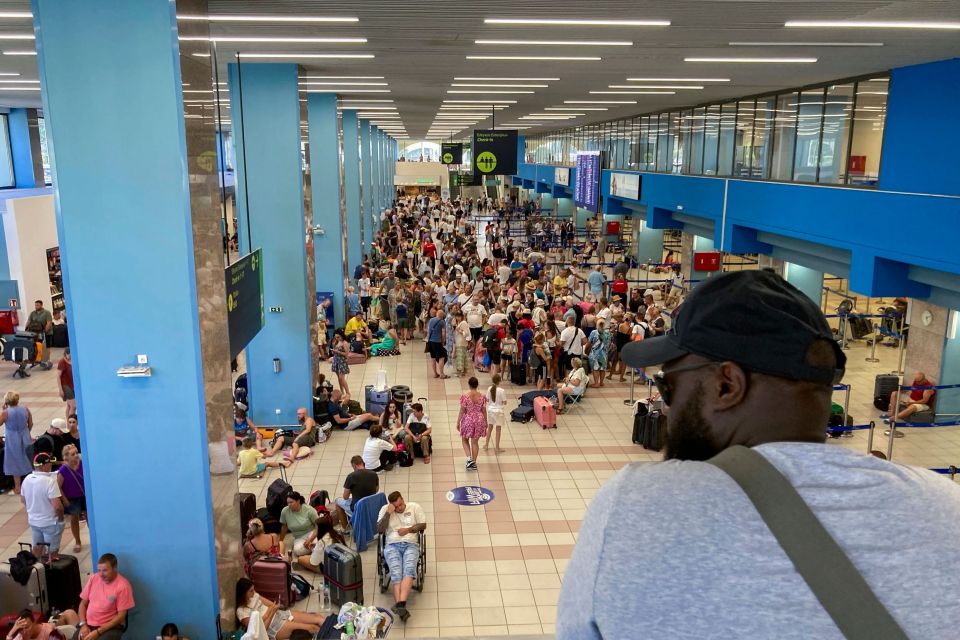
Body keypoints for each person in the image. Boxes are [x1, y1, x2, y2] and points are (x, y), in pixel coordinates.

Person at [558, 269, 960, 638]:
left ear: (727, 385)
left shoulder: (632, 505)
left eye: (669, 388)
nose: (666, 407)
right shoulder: (945, 506)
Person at [377, 491, 427, 622]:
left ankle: (400, 604)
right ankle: (401, 606)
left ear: (403, 499)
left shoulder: (414, 507)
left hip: (411, 544)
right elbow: (380, 530)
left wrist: (408, 530)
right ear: (391, 505)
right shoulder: (385, 510)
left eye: (401, 505)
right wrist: (388, 513)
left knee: (409, 570)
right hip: (392, 545)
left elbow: (423, 525)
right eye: (396, 507)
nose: (399, 508)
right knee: (396, 572)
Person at [58, 553, 134, 639]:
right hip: (89, 625)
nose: (101, 574)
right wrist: (83, 625)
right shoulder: (94, 578)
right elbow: (83, 604)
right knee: (76, 638)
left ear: (114, 568)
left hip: (110, 627)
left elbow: (121, 617)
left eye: (105, 570)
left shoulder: (123, 585)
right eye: (99, 570)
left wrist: (98, 632)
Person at [235, 578, 325, 639]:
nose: (254, 592)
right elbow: (260, 629)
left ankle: (336, 627)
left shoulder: (254, 596)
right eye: (251, 591)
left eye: (254, 589)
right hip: (272, 626)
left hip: (278, 614)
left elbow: (271, 605)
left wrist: (271, 611)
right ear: (243, 593)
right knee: (312, 628)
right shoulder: (241, 612)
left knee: (316, 617)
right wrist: (270, 613)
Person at [21, 452, 65, 559]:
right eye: (49, 463)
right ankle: (49, 573)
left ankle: (36, 572)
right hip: (50, 522)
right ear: (44, 465)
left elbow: (23, 500)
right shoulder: (50, 482)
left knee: (36, 550)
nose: (50, 465)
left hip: (34, 522)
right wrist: (61, 519)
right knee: (52, 554)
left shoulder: (27, 479)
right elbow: (57, 506)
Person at [331, 455, 379, 531]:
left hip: (357, 508)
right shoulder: (374, 474)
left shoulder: (351, 476)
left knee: (338, 502)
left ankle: (346, 529)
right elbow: (376, 490)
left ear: (354, 465)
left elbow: (345, 497)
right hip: (371, 506)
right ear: (363, 463)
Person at [0, 391, 33, 495]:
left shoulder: (6, 413)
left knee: (15, 460)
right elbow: (31, 423)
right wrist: (26, 432)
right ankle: (30, 483)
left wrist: (3, 410)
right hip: (25, 434)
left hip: (12, 437)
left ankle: (17, 487)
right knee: (27, 458)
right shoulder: (25, 409)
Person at [56, 445, 85, 553]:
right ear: (66, 457)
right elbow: (58, 487)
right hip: (72, 498)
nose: (76, 455)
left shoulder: (83, 464)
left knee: (90, 519)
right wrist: (64, 500)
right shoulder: (63, 470)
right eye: (73, 454)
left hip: (85, 495)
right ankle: (78, 541)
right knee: (74, 519)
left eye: (77, 452)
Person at [456, 377, 488, 471]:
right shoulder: (482, 397)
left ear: (469, 385)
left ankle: (469, 459)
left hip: (468, 419)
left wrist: (458, 422)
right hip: (479, 419)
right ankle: (473, 462)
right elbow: (484, 411)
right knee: (475, 442)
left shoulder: (465, 397)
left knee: (465, 440)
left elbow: (462, 411)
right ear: (477, 385)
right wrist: (486, 422)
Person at [279, 492, 318, 557]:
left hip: (311, 532)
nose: (289, 505)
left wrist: (310, 539)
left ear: (298, 501)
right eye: (288, 503)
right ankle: (313, 549)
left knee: (317, 544)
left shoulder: (309, 510)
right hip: (298, 537)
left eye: (291, 502)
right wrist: (280, 541)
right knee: (297, 551)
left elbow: (318, 526)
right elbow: (284, 527)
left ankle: (313, 552)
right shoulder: (285, 511)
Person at [25, 300, 53, 370]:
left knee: (46, 347)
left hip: (46, 333)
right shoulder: (32, 313)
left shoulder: (47, 313)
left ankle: (47, 360)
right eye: (35, 305)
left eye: (37, 305)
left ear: (41, 305)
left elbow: (49, 323)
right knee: (38, 347)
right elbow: (28, 321)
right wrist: (25, 329)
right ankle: (39, 360)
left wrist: (45, 331)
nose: (36, 306)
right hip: (36, 333)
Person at [484, 374, 507, 453]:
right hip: (499, 411)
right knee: (498, 429)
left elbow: (486, 400)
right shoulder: (502, 390)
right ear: (499, 381)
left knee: (490, 428)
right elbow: (504, 402)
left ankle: (486, 445)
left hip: (490, 410)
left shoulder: (489, 389)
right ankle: (497, 448)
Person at [426, 308, 448, 379]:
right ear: (442, 315)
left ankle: (435, 373)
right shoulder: (442, 322)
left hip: (430, 341)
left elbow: (428, 330)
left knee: (433, 358)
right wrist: (443, 341)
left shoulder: (431, 320)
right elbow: (443, 333)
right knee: (441, 357)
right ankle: (441, 374)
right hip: (437, 342)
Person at [588, 319, 610, 388]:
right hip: (604, 353)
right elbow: (609, 344)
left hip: (595, 353)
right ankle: (601, 382)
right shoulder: (607, 333)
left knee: (596, 368)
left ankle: (596, 383)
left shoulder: (594, 332)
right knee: (602, 368)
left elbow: (589, 342)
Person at [330, 329, 351, 395]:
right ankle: (342, 391)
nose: (337, 338)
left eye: (338, 337)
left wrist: (337, 351)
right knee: (339, 378)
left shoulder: (345, 343)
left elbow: (346, 354)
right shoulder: (336, 342)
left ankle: (348, 392)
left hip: (342, 362)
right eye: (335, 337)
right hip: (336, 361)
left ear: (342, 336)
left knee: (341, 378)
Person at [57, 348, 75, 418]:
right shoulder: (62, 362)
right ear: (65, 354)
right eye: (69, 356)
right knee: (73, 406)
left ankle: (68, 425)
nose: (70, 357)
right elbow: (58, 376)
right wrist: (60, 390)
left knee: (69, 405)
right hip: (65, 386)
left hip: (72, 385)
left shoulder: (72, 360)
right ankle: (72, 424)